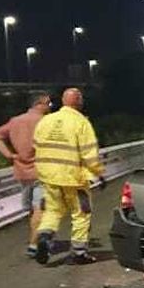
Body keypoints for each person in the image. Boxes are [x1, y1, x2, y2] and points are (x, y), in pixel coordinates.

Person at [32, 87, 105, 265]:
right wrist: (98, 174)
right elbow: (89, 154)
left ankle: (44, 237)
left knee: (52, 211)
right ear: (79, 101)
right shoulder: (81, 123)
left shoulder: (46, 121)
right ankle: (79, 253)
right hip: (74, 178)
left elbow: (36, 144)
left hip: (48, 176)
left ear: (64, 101)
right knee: (81, 213)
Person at [0, 91, 52, 257]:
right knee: (40, 208)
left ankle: (35, 237)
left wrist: (10, 155)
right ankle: (34, 244)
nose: (50, 107)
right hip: (43, 171)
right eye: (48, 103)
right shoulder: (47, 122)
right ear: (41, 103)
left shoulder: (15, 121)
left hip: (22, 172)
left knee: (31, 208)